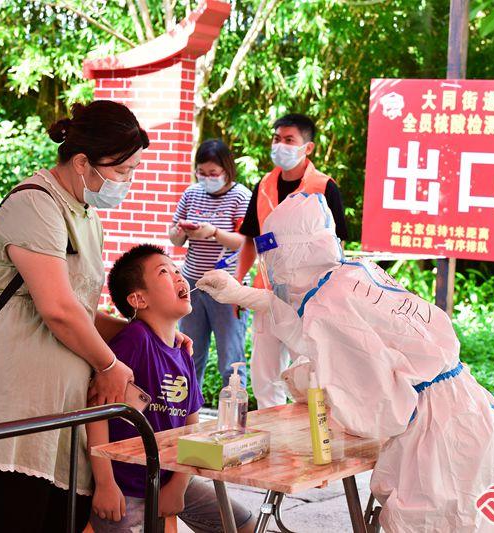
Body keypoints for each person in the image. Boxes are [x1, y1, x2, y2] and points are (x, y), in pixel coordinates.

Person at [197, 193, 494, 533]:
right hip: (470, 413)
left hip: (438, 441)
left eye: (273, 259)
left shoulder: (327, 303)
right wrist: (247, 296)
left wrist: (310, 382)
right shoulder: (351, 275)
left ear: (289, 255)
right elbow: (324, 336)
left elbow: (381, 411)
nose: (274, 272)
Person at [0, 101, 192, 532]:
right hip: (18, 410)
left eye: (132, 170)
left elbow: (82, 310)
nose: (127, 181)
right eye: (121, 171)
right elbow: (57, 308)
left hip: (66, 414)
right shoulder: (36, 204)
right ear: (82, 162)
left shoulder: (88, 216)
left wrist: (152, 334)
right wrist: (110, 364)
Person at [88, 244, 254, 533]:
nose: (179, 277)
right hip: (125, 485)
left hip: (170, 477)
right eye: (164, 272)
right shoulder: (135, 340)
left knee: (243, 524)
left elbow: (191, 428)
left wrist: (178, 484)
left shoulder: (183, 352)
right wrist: (105, 484)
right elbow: (99, 413)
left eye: (177, 270)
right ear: (138, 298)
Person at [235, 113, 348, 408]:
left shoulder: (324, 187)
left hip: (308, 298)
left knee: (309, 372)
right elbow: (250, 238)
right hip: (266, 293)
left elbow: (339, 247)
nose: (281, 146)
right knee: (265, 374)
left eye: (289, 140)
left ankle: (310, 440)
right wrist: (237, 283)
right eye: (277, 139)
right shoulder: (263, 186)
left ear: (307, 147)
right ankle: (272, 442)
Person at [168, 139, 251, 388]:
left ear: (227, 170)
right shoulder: (191, 193)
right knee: (190, 354)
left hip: (228, 284)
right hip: (193, 282)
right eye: (201, 172)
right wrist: (182, 230)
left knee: (231, 359)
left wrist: (213, 232)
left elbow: (243, 242)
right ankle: (187, 417)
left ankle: (235, 417)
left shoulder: (241, 196)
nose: (207, 178)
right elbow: (174, 237)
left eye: (213, 173)